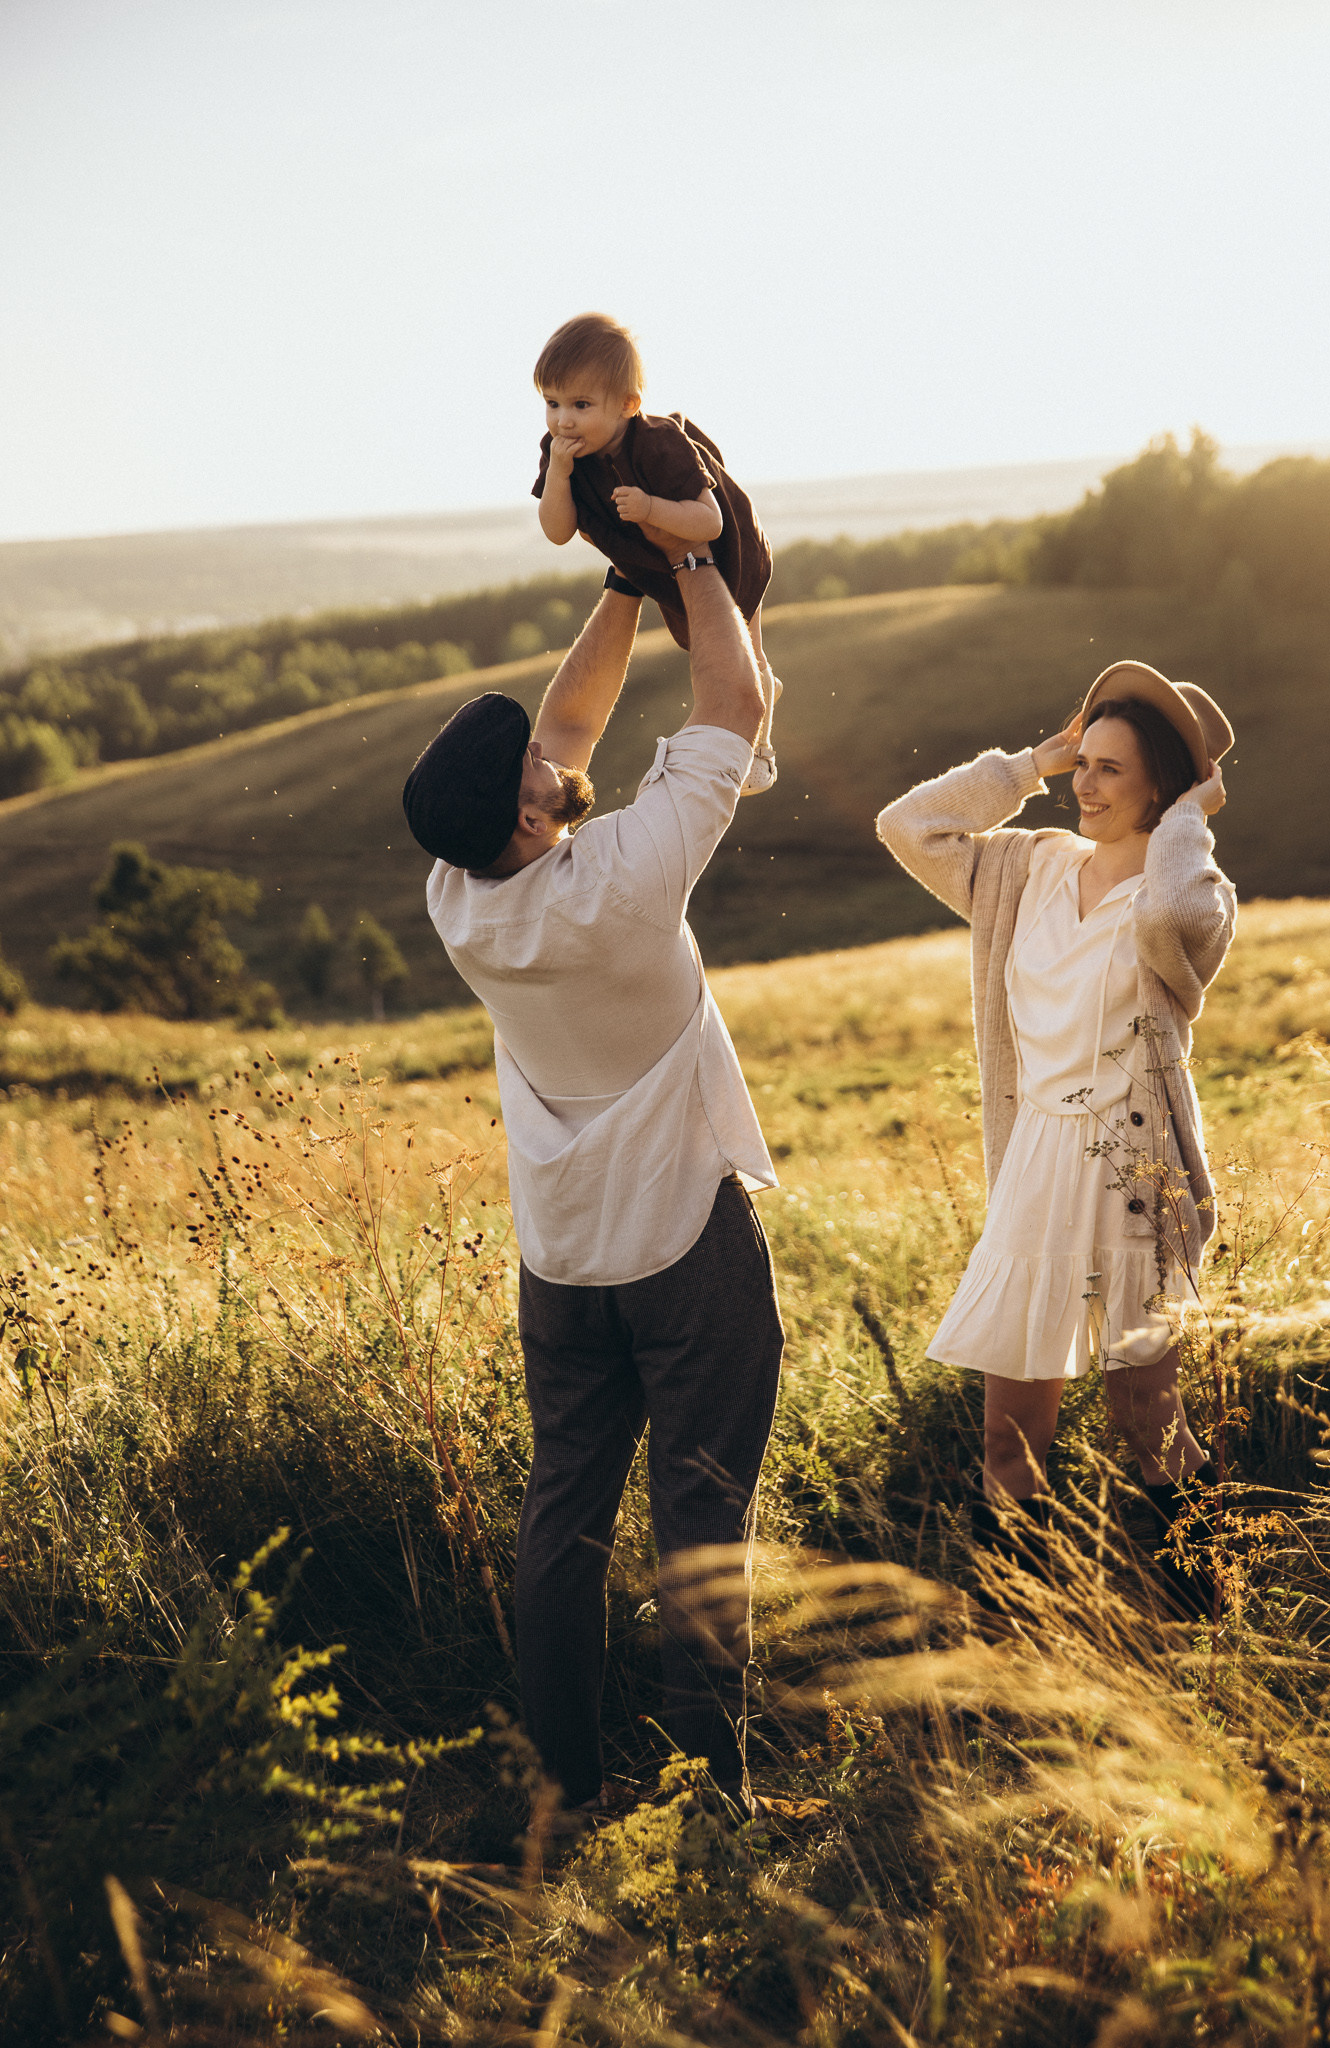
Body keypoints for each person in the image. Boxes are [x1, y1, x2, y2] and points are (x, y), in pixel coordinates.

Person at [401, 553, 784, 1821]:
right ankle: (712, 1784)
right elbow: (732, 694)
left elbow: (567, 727)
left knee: (561, 1515)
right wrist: (684, 558)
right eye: (527, 772)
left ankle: (563, 1784)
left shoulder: (459, 895)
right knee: (701, 1504)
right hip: (683, 1245)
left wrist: (619, 590)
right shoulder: (622, 877)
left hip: (561, 1261)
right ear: (523, 817)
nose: (549, 753)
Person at [875, 662, 1236, 1609]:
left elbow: (1167, 913)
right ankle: (1029, 1638)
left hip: (1130, 1172)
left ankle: (1197, 1620)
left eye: (1111, 769)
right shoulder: (1024, 868)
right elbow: (905, 826)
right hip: (1034, 1166)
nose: (1087, 783)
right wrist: (1029, 762)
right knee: (1009, 1435)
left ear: (1163, 785)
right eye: (1085, 760)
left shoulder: (1192, 892)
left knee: (1148, 1419)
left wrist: (1189, 820)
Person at [532, 310, 780, 796]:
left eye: (581, 404)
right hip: (656, 562)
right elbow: (557, 531)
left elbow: (709, 521)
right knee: (700, 649)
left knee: (738, 653)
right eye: (552, 402)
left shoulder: (660, 443)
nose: (564, 419)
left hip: (727, 555)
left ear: (628, 404)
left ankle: (760, 750)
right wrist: (558, 476)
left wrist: (651, 507)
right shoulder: (560, 452)